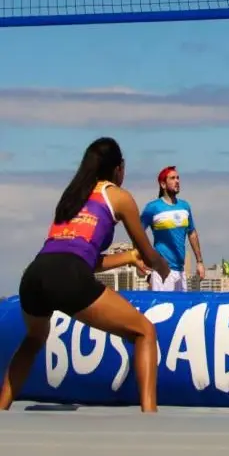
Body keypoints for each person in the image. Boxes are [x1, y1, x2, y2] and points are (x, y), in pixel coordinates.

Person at [0, 137, 170, 413]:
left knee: (33, 339)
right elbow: (148, 252)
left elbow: (78, 258)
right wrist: (162, 268)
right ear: (119, 168)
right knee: (144, 331)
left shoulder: (72, 196)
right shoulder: (118, 196)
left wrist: (127, 258)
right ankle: (149, 416)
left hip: (34, 274)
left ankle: (2, 409)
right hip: (67, 274)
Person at [141, 166, 205, 291]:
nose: (177, 181)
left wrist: (199, 262)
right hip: (162, 271)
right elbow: (137, 232)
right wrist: (141, 258)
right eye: (173, 178)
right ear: (163, 184)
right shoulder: (153, 208)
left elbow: (191, 233)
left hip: (181, 271)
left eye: (178, 178)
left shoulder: (184, 206)